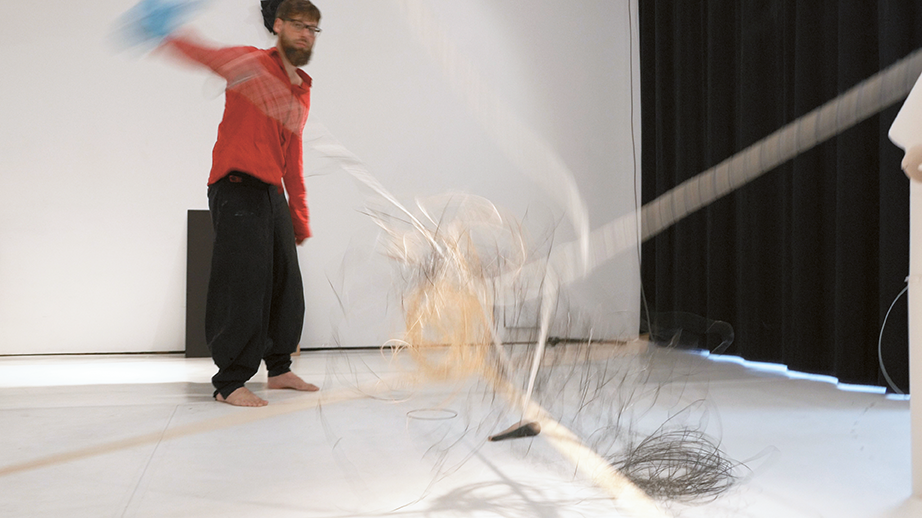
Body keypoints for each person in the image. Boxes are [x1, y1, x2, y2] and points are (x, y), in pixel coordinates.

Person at [162, 0, 322, 406]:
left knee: (286, 284)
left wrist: (298, 215)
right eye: (299, 25)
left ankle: (280, 369)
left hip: (271, 192)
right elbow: (204, 54)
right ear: (279, 25)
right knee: (243, 284)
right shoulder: (250, 64)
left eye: (312, 29)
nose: (306, 35)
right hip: (236, 186)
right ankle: (230, 382)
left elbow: (292, 156)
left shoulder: (301, 89)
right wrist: (166, 34)